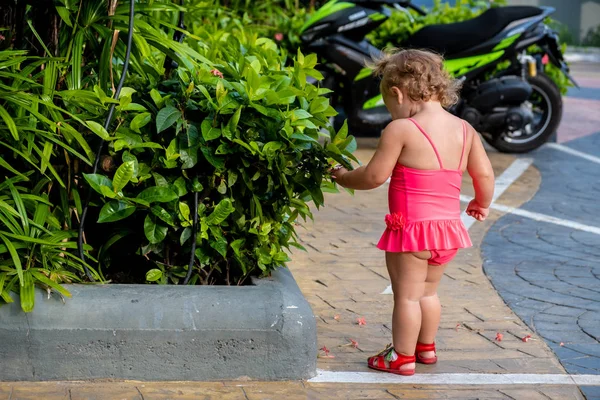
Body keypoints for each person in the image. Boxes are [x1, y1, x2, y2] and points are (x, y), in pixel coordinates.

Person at [330, 48, 495, 376]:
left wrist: (343, 176)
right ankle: (426, 348)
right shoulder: (465, 130)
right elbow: (485, 175)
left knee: (406, 296)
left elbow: (374, 176)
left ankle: (402, 357)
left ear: (397, 93)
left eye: (390, 106)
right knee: (428, 293)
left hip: (411, 231)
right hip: (447, 231)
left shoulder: (401, 130)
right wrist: (481, 203)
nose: (392, 113)